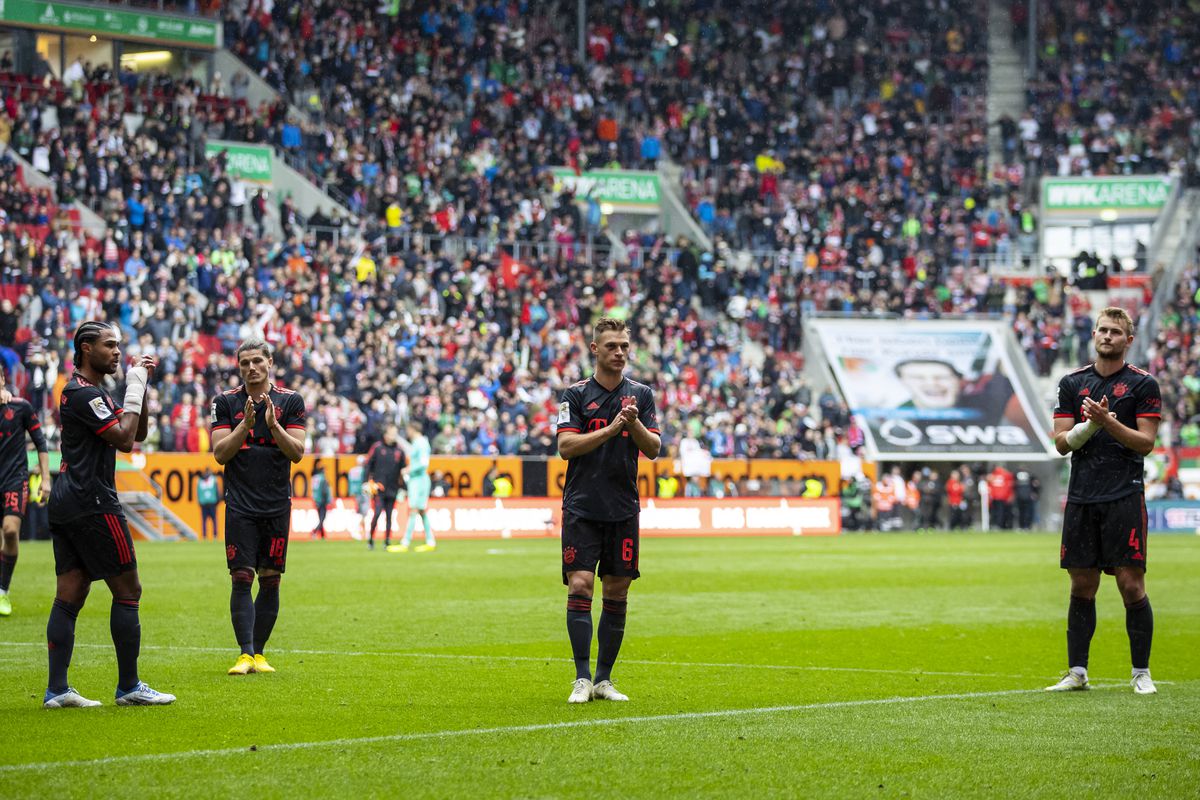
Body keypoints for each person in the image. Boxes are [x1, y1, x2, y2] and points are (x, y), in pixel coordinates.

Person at [43, 321, 175, 707]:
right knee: (129, 590)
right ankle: (129, 686)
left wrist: (141, 388)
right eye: (109, 345)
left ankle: (57, 690)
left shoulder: (90, 393)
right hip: (93, 501)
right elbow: (122, 438)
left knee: (70, 594)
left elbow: (137, 434)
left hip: (69, 500)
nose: (117, 352)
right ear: (86, 349)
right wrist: (133, 386)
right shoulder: (83, 393)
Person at [1046, 308, 1161, 695]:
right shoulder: (1072, 382)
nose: (1107, 336)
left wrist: (1106, 421)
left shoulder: (1144, 385)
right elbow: (1061, 443)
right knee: (1082, 585)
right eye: (1103, 330)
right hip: (1082, 496)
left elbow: (1146, 443)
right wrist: (1089, 425)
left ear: (1129, 340)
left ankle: (1140, 672)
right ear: (1094, 334)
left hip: (1124, 493)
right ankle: (1077, 672)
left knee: (1131, 585)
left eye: (1116, 332)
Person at [556, 317, 660, 703]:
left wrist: (631, 426)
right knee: (581, 584)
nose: (619, 353)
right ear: (595, 349)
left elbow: (652, 449)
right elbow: (566, 447)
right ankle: (581, 678)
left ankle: (603, 679)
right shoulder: (576, 395)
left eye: (624, 347)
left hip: (623, 507)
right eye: (612, 346)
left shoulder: (642, 395)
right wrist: (612, 427)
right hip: (582, 507)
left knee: (617, 591)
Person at [211, 338, 307, 676]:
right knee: (240, 577)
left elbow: (297, 452)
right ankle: (245, 654)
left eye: (257, 361)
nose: (251, 368)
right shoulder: (225, 403)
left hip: (277, 505)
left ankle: (261, 654)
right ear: (238, 367)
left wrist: (274, 424)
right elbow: (220, 453)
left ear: (269, 362)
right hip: (240, 505)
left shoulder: (291, 401)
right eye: (244, 363)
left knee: (270, 580)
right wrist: (246, 426)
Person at [0, 368, 50, 616]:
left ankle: (2, 592)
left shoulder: (21, 408)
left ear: (2, 380)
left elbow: (40, 442)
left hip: (15, 479)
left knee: (10, 531)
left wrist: (46, 479)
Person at [389, 420, 435, 552]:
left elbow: (424, 463)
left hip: (419, 480)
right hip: (418, 479)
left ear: (413, 429)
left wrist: (408, 469)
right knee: (420, 510)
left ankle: (405, 542)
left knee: (413, 509)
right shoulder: (418, 443)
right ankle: (430, 541)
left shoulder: (421, 443)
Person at [364, 425, 405, 549]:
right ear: (386, 434)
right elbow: (368, 465)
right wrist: (366, 482)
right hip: (378, 488)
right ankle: (371, 539)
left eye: (395, 433)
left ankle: (387, 540)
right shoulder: (377, 447)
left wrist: (403, 488)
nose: (394, 436)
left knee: (389, 515)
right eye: (392, 433)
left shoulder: (399, 451)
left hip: (393, 488)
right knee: (377, 513)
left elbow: (402, 471)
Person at [196, 467, 221, 541]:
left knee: (211, 520)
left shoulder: (203, 480)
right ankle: (207, 536)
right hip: (208, 503)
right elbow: (217, 491)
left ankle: (212, 535)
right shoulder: (212, 480)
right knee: (207, 520)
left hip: (210, 503)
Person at [311, 466, 332, 540]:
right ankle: (314, 531)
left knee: (320, 517)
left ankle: (322, 535)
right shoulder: (323, 479)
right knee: (322, 518)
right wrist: (328, 501)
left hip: (316, 500)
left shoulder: (315, 478)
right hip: (322, 500)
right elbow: (325, 491)